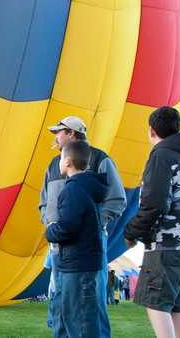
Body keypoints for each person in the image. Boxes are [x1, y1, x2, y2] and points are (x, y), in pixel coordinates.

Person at [40, 116, 126, 332]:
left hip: (87, 243)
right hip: (60, 241)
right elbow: (44, 201)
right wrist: (49, 224)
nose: (55, 138)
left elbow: (117, 199)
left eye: (58, 132)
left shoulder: (98, 159)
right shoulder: (53, 164)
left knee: (91, 299)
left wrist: (96, 224)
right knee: (59, 297)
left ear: (71, 133)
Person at [124, 106, 180, 338]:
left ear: (151, 130)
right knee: (178, 307)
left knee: (156, 305)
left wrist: (131, 232)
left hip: (168, 244)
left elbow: (155, 203)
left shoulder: (161, 156)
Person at [45, 139, 110, 337]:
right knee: (76, 316)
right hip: (81, 262)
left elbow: (69, 227)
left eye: (61, 157)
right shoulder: (87, 188)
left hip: (77, 264)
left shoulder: (72, 190)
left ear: (67, 161)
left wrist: (50, 231)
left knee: (80, 321)